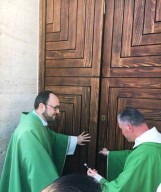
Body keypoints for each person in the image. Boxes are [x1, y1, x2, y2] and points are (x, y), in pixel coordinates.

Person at [0, 90, 91, 192]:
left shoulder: (36, 123)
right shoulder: (29, 131)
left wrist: (75, 140)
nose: (58, 112)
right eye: (55, 107)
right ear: (42, 106)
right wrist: (55, 188)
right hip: (29, 182)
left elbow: (53, 137)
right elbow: (37, 169)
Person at [87, 107, 161, 192]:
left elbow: (119, 189)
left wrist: (97, 179)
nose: (122, 133)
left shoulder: (143, 154)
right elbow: (132, 155)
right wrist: (109, 154)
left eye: (121, 129)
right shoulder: (155, 144)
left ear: (129, 127)